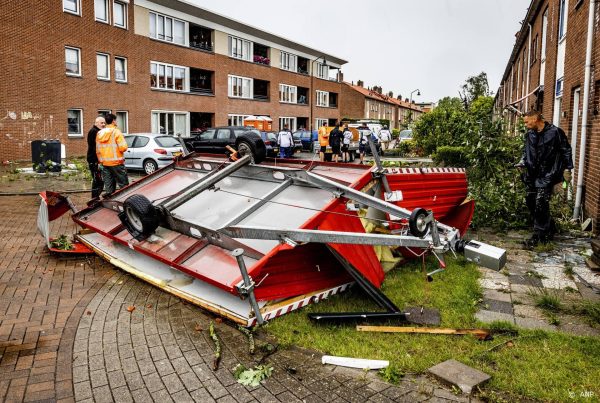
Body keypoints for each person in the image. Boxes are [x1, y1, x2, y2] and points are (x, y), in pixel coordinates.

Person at [518, 110, 573, 247]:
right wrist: (522, 162)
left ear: (536, 118)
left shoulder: (555, 133)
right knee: (530, 200)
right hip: (532, 173)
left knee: (541, 203)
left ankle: (540, 236)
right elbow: (527, 151)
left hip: (548, 173)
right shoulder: (530, 134)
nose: (525, 125)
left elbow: (566, 150)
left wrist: (568, 168)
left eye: (527, 121)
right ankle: (550, 227)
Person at [96, 113, 129, 197]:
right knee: (124, 185)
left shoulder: (99, 133)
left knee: (109, 187)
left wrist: (101, 162)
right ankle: (126, 200)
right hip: (117, 163)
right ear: (113, 121)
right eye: (116, 120)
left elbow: (98, 150)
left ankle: (109, 201)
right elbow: (123, 148)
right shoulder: (116, 132)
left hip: (105, 163)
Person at [86, 116, 106, 199]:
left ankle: (96, 197)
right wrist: (98, 161)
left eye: (104, 123)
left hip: (97, 160)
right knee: (97, 180)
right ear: (96, 123)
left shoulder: (98, 131)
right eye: (102, 123)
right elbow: (95, 147)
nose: (103, 124)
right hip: (94, 160)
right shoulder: (94, 132)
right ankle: (94, 199)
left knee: (99, 180)